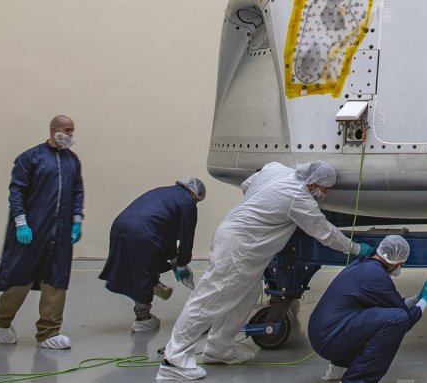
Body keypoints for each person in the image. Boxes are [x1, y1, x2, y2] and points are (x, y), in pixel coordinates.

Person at [157, 161, 376, 382]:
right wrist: (356, 248)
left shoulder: (275, 169)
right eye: (325, 189)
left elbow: (247, 185)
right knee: (209, 299)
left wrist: (265, 208)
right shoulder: (298, 198)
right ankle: (174, 359)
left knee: (246, 296)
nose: (325, 194)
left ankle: (219, 348)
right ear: (313, 183)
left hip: (239, 240)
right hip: (240, 247)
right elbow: (325, 233)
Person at [0, 115, 85, 350]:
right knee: (22, 277)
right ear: (54, 130)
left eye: (72, 130)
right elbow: (17, 191)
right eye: (67, 130)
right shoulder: (31, 158)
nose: (71, 134)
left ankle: (48, 332)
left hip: (61, 231)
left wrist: (76, 220)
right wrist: (21, 222)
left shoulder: (72, 160)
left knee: (56, 278)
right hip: (33, 228)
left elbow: (77, 191)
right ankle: (0, 321)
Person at [308, 234, 427, 383]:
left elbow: (393, 304)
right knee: (397, 320)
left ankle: (341, 367)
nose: (400, 267)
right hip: (330, 340)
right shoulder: (376, 276)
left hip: (323, 334)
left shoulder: (363, 265)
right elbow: (405, 319)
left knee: (381, 316)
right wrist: (426, 300)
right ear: (396, 261)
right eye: (401, 264)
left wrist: (417, 298)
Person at [100, 177, 207, 332]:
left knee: (137, 264)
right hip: (143, 232)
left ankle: (153, 284)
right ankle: (143, 318)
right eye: (197, 201)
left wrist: (175, 259)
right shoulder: (187, 202)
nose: (195, 203)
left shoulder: (163, 192)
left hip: (119, 227)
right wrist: (182, 263)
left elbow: (165, 229)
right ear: (194, 194)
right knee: (144, 271)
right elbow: (186, 236)